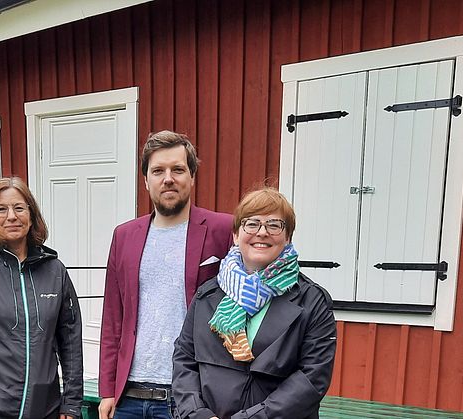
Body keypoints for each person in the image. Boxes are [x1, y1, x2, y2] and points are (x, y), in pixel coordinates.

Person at [99, 131, 234, 419]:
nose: (168, 178)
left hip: (191, 395)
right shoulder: (124, 236)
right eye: (158, 171)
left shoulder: (224, 229)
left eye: (178, 169)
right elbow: (113, 317)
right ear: (146, 180)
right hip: (129, 398)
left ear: (192, 177)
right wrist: (107, 390)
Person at [171, 187, 337, 419]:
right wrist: (198, 414)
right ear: (236, 235)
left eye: (274, 225)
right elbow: (184, 359)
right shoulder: (206, 296)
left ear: (287, 236)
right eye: (252, 224)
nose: (262, 232)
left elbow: (312, 377)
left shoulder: (312, 301)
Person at [0, 176, 83, 419]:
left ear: (31, 216)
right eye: (1, 209)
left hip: (47, 409)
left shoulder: (55, 271)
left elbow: (70, 342)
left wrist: (71, 404)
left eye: (19, 208)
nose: (11, 216)